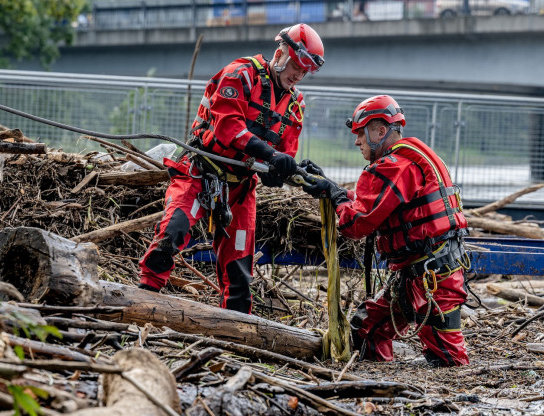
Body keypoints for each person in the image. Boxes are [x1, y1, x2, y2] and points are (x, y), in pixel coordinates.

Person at [138, 23, 325, 314]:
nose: (298, 76)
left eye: (304, 72)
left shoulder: (295, 104)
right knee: (171, 234)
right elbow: (228, 128)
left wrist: (284, 171)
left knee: (239, 270)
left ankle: (237, 329)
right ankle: (142, 302)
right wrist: (272, 156)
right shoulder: (241, 74)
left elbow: (283, 154)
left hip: (240, 186)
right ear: (280, 54)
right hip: (201, 172)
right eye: (296, 68)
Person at [300, 95, 471, 367]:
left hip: (433, 282)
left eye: (361, 134)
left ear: (380, 131)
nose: (357, 141)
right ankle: (378, 375)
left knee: (449, 359)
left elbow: (355, 224)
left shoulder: (394, 166)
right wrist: (331, 187)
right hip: (421, 275)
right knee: (368, 328)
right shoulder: (409, 157)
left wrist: (335, 197)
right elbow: (378, 203)